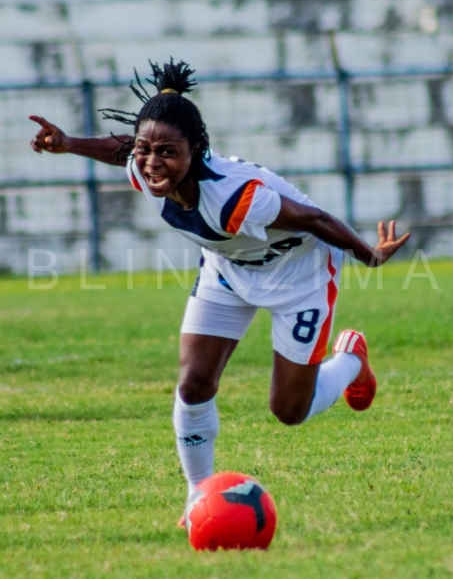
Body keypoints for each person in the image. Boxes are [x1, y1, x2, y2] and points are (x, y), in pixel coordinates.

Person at [29, 60, 411, 521]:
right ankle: (198, 494)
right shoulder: (147, 169)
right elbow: (121, 151)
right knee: (193, 382)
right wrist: (68, 144)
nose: (152, 162)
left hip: (298, 275)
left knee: (289, 411)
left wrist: (368, 254)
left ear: (196, 150)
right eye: (146, 149)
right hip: (229, 271)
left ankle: (350, 359)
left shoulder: (235, 196)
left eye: (167, 151)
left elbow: (314, 219)